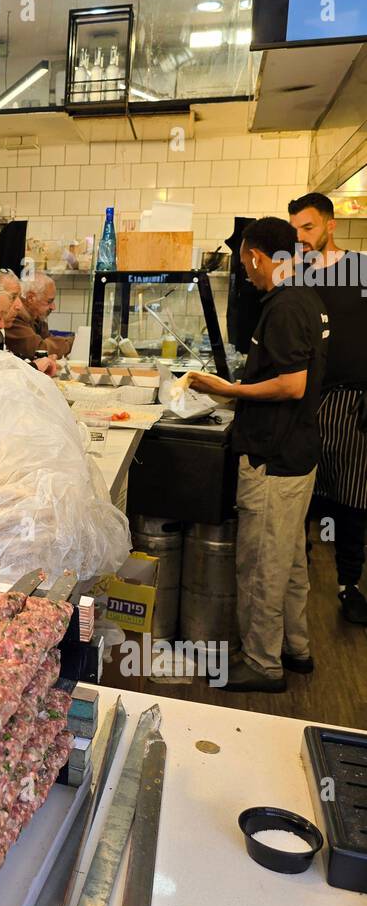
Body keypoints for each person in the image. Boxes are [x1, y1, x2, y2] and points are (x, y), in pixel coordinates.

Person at [189, 217, 329, 694]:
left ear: (256, 256)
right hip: (297, 454)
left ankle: (262, 664)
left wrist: (228, 388)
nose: (247, 273)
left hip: (273, 456)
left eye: (247, 262)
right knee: (289, 561)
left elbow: (293, 384)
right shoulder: (305, 299)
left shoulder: (285, 307)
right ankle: (295, 647)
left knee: (261, 566)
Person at [288, 191, 367, 626]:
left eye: (309, 227)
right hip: (303, 399)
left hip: (352, 402)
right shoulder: (295, 277)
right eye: (295, 229)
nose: (300, 237)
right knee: (299, 496)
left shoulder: (360, 268)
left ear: (331, 225)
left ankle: (349, 585)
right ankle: (297, 579)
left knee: (352, 499)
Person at [0, 270, 59, 374]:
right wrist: (35, 366)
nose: (19, 305)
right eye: (12, 297)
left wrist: (36, 363)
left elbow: (9, 360)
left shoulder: (2, 328)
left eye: (18, 297)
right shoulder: (12, 320)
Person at [4, 271, 75, 360]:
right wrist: (74, 342)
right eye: (49, 301)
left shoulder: (35, 318)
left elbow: (49, 341)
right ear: (30, 298)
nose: (53, 307)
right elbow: (40, 350)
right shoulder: (14, 318)